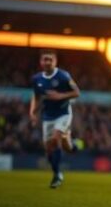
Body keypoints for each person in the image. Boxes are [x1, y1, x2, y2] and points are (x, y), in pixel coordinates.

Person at [29, 50, 81, 188]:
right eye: (45, 59)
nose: (47, 62)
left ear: (55, 61)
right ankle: (73, 146)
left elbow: (77, 92)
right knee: (49, 150)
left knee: (55, 139)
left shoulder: (63, 76)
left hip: (63, 113)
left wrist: (60, 96)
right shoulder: (37, 79)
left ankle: (57, 175)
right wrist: (32, 112)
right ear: (41, 62)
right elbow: (36, 97)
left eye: (50, 60)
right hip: (47, 116)